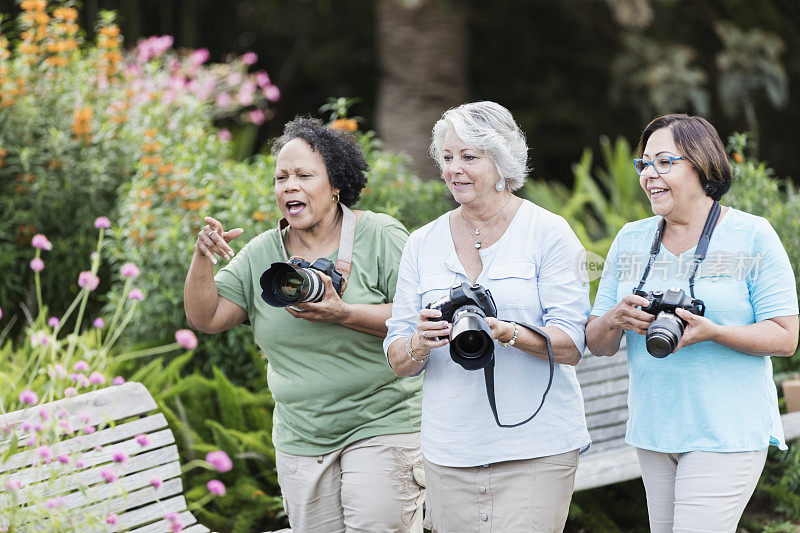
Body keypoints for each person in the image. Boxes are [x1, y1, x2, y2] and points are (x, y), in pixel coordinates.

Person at [184, 117, 425, 533]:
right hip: (301, 438)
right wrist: (202, 258)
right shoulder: (262, 253)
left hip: (382, 423)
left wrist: (343, 313)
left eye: (303, 175)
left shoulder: (381, 235)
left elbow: (419, 319)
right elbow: (206, 317)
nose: (288, 185)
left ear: (335, 185)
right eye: (281, 177)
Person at [586, 113, 799, 532]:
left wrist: (712, 332)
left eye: (664, 162)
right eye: (644, 164)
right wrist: (615, 318)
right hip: (654, 430)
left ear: (701, 165)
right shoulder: (630, 239)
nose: (650, 174)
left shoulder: (752, 236)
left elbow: (785, 336)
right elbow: (597, 342)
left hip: (725, 432)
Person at [385, 101, 591, 532]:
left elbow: (572, 345)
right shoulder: (422, 243)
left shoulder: (548, 232)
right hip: (449, 452)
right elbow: (398, 357)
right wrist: (420, 341)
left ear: (502, 162)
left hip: (537, 448)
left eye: (468, 156)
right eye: (447, 157)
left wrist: (510, 332)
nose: (454, 168)